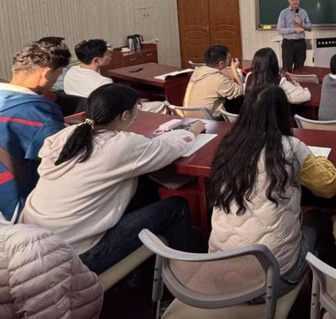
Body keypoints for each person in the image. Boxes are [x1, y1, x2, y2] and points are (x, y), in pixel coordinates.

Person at [21, 84, 201, 274]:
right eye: (137, 107)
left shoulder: (68, 134)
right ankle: (189, 274)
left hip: (35, 243)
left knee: (141, 190)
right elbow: (171, 147)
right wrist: (192, 131)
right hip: (77, 255)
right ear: (125, 115)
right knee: (176, 207)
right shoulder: (121, 145)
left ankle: (143, 271)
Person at [207, 85, 336, 297]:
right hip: (272, 281)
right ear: (282, 115)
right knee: (318, 219)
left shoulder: (228, 146)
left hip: (219, 276)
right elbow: (330, 186)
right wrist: (316, 160)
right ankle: (328, 292)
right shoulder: (290, 147)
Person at [0, 41, 70, 223]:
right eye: (58, 74)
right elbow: (65, 157)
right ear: (46, 74)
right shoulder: (38, 112)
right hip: (18, 211)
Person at [64, 39, 167, 113]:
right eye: (107, 53)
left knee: (144, 99)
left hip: (84, 112)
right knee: (162, 105)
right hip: (111, 114)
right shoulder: (103, 82)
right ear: (97, 60)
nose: (110, 55)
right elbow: (117, 106)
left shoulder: (71, 71)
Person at [183, 45, 243, 118]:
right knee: (238, 101)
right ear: (221, 63)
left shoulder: (197, 72)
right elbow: (240, 91)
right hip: (209, 120)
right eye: (228, 57)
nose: (230, 59)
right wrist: (234, 69)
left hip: (189, 116)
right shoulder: (219, 80)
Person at [245, 47, 311, 104]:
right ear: (274, 64)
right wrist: (298, 86)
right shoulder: (280, 83)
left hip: (250, 115)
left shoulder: (249, 77)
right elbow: (306, 96)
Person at [277, 0, 312, 72]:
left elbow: (310, 27)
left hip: (301, 43)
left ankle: (298, 80)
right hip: (288, 43)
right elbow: (280, 29)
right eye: (292, 0)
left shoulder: (303, 12)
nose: (295, 1)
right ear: (289, 0)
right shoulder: (284, 13)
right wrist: (294, 30)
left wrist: (301, 23)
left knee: (300, 68)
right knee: (287, 68)